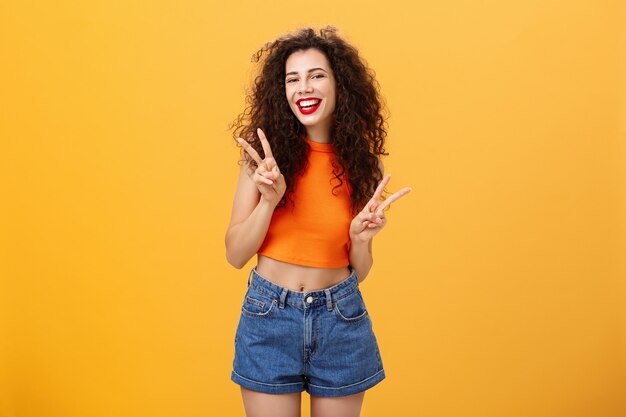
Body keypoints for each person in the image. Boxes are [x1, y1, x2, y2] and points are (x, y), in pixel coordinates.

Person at [225, 26, 411, 417]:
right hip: (269, 316)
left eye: (316, 75)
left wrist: (361, 239)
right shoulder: (262, 161)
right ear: (283, 92)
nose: (303, 88)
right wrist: (268, 202)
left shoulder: (364, 164)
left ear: (339, 83)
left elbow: (357, 272)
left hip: (340, 318)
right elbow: (235, 254)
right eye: (293, 79)